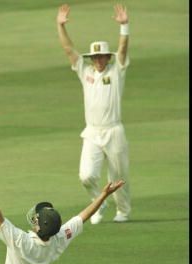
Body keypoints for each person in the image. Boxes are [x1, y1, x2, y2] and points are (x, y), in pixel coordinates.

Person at [56, 3, 131, 224]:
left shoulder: (117, 70)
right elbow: (69, 50)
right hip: (92, 132)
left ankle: (124, 212)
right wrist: (61, 27)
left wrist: (124, 27)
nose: (98, 61)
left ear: (108, 57)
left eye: (102, 57)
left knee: (119, 176)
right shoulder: (85, 71)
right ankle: (99, 203)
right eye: (95, 57)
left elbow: (124, 50)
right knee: (86, 175)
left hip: (114, 130)